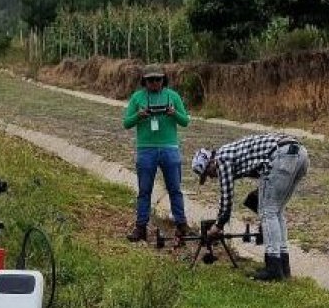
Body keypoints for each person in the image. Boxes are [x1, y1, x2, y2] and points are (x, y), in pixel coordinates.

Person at [191, 134, 310, 281]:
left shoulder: (221, 161)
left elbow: (226, 199)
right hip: (300, 154)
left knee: (268, 212)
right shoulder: (229, 151)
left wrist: (218, 226)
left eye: (208, 174)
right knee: (277, 211)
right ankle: (284, 268)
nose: (211, 177)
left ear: (210, 163)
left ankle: (273, 269)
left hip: (282, 156)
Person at [122, 64, 190, 242]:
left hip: (169, 148)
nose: (154, 83)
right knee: (144, 191)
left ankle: (181, 225)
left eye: (158, 79)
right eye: (150, 80)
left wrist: (174, 113)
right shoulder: (137, 97)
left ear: (163, 79)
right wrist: (138, 115)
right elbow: (126, 123)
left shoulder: (173, 96)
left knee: (175, 189)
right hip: (146, 149)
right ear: (144, 81)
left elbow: (185, 121)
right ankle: (141, 227)